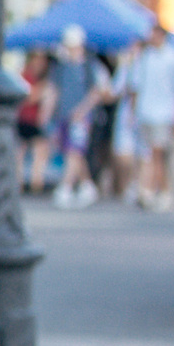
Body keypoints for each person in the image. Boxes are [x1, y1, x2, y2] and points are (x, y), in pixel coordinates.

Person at [121, 24, 174, 210]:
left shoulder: (173, 58)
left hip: (164, 114)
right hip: (145, 113)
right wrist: (132, 112)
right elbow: (135, 87)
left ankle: (160, 190)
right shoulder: (145, 57)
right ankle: (148, 189)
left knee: (157, 153)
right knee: (146, 154)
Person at [50, 24, 108, 209]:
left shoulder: (89, 66)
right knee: (74, 152)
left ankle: (65, 187)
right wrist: (49, 112)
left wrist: (82, 111)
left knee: (74, 151)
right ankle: (87, 186)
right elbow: (54, 91)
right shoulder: (61, 67)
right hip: (64, 115)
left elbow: (95, 92)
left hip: (82, 118)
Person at [15, 51, 53, 193]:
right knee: (21, 152)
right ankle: (20, 184)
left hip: (35, 120)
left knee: (39, 150)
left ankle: (36, 182)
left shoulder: (40, 77)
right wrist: (42, 89)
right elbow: (28, 97)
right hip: (25, 118)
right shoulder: (26, 75)